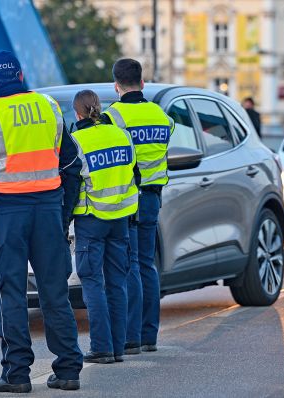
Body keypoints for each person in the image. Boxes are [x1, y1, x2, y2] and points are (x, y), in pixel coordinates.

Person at [0, 51, 83, 393]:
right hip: (47, 211)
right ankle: (69, 370)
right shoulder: (49, 107)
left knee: (10, 293)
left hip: (8, 216)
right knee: (55, 294)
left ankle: (16, 375)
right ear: (21, 74)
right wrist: (63, 215)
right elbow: (72, 166)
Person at [102, 58, 174, 355]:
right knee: (147, 264)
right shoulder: (160, 115)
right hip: (152, 198)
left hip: (126, 199)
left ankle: (130, 337)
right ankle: (149, 336)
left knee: (128, 265)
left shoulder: (113, 117)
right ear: (142, 83)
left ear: (115, 85)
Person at [69, 90, 139, 364]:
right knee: (116, 282)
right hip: (120, 219)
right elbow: (136, 175)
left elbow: (72, 185)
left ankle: (101, 347)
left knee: (93, 283)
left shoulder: (77, 141)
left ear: (77, 114)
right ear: (99, 108)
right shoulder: (121, 135)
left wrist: (63, 222)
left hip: (91, 220)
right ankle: (118, 347)